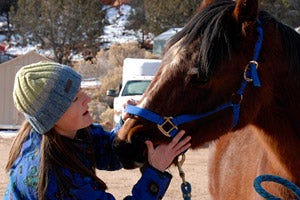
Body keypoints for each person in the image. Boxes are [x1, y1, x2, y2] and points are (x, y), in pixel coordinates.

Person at [3, 61, 191, 200]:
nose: (88, 99)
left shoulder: (70, 133)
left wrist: (125, 124)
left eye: (80, 90)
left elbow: (109, 152)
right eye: (75, 99)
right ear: (53, 116)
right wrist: (156, 171)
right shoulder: (54, 177)